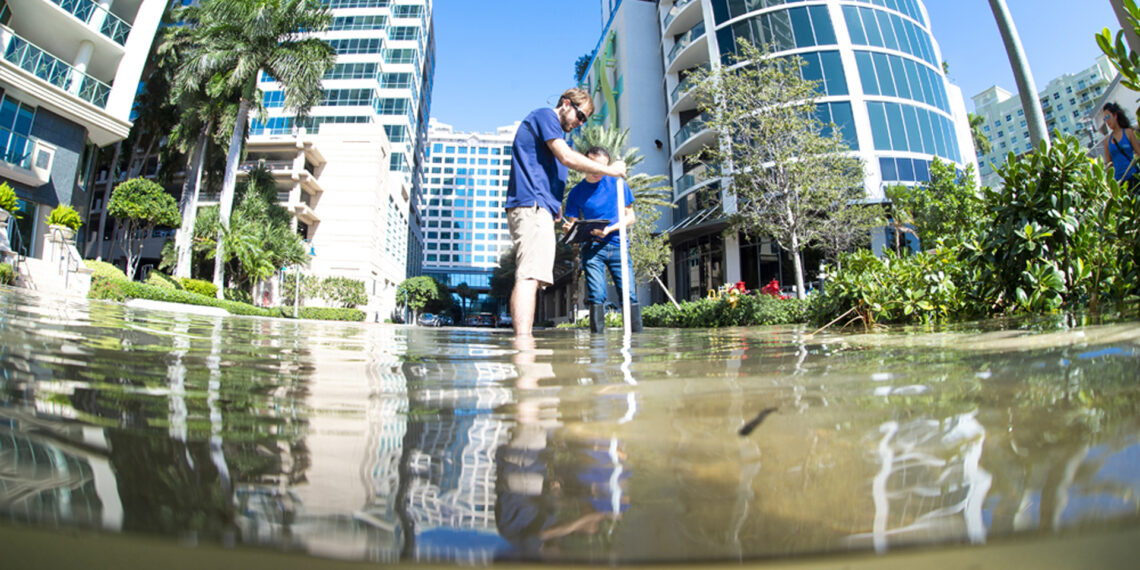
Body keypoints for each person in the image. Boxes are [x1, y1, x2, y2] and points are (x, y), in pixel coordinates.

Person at [506, 88, 627, 337]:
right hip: (532, 207)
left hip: (541, 209)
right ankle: (523, 346)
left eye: (584, 121)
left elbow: (545, 168)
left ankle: (524, 342)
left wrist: (555, 205)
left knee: (535, 276)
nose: (580, 124)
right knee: (529, 276)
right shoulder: (545, 117)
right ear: (566, 104)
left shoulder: (556, 133)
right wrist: (610, 171)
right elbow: (567, 157)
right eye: (580, 116)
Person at [561, 147, 641, 333]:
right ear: (584, 163)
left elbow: (630, 217)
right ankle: (597, 347)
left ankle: (636, 342)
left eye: (602, 167)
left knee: (628, 295)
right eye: (593, 165)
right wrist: (569, 229)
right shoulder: (576, 193)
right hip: (592, 249)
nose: (597, 171)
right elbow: (574, 225)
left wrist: (609, 229)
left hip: (618, 245)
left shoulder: (618, 184)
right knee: (597, 295)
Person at [1103, 101, 1140, 189]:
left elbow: (1139, 152)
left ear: (1115, 116)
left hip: (1133, 177)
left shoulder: (1128, 133)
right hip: (1120, 183)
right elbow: (1109, 166)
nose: (1107, 121)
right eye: (1104, 119)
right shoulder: (1107, 141)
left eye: (1108, 117)